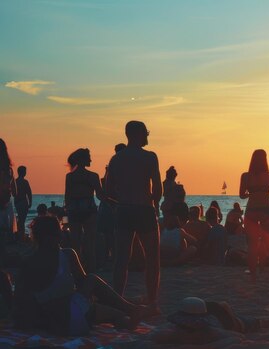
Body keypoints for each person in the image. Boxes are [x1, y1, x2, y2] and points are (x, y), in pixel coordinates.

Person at [12, 216, 142, 336]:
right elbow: (83, 284)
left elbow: (21, 300)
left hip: (51, 323)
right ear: (56, 235)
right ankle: (129, 309)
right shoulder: (67, 255)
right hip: (74, 315)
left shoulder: (27, 262)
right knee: (92, 282)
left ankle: (126, 310)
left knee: (92, 295)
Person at [106, 120, 162, 311]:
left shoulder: (116, 159)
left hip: (124, 209)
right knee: (152, 257)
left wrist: (119, 201)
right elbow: (157, 187)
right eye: (146, 133)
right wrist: (155, 203)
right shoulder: (150, 157)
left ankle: (117, 298)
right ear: (138, 134)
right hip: (144, 208)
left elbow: (108, 190)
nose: (147, 136)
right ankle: (152, 300)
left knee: (121, 258)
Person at [239, 149, 269, 282]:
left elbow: (241, 195)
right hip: (266, 210)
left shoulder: (245, 176)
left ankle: (254, 277)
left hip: (252, 210)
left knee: (252, 246)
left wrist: (252, 193)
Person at [152, 297, 269, 344]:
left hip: (227, 321)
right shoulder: (174, 330)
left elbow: (238, 337)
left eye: (190, 328)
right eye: (183, 326)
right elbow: (154, 335)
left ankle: (266, 322)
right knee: (222, 305)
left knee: (250, 323)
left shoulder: (210, 331)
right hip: (207, 310)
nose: (185, 330)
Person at [65, 148, 104, 273]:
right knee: (90, 244)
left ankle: (78, 270)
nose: (90, 160)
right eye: (88, 158)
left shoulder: (70, 177)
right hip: (89, 209)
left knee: (75, 243)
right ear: (82, 160)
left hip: (74, 210)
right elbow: (100, 195)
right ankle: (91, 271)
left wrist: (66, 215)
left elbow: (67, 197)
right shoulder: (93, 176)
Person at [0, 139, 17, 264]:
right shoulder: (9, 170)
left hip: (3, 202)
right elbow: (13, 190)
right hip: (6, 203)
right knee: (3, 232)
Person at [14, 165, 32, 241]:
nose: (25, 173)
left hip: (17, 202)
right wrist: (30, 202)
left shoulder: (15, 181)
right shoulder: (24, 182)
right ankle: (21, 235)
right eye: (24, 171)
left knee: (21, 219)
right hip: (23, 202)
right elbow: (29, 193)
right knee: (22, 219)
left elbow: (13, 193)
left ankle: (20, 234)